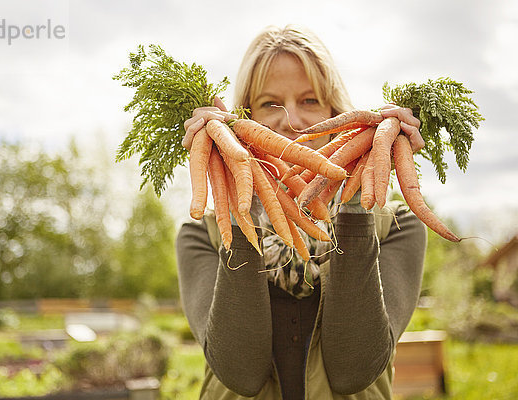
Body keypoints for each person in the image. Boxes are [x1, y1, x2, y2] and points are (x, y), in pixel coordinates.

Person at [176, 25, 427, 400]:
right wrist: (233, 193)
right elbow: (238, 371)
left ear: (337, 113)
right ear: (242, 119)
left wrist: (358, 195)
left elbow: (354, 371)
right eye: (269, 103)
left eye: (309, 101)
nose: (291, 120)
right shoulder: (203, 233)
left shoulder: (397, 226)